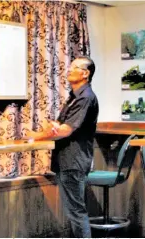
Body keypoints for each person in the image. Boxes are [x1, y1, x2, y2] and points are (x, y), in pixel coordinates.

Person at [25, 56, 99, 238]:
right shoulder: (73, 97)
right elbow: (57, 125)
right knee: (74, 210)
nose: (69, 70)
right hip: (66, 160)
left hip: (74, 161)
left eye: (74, 67)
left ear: (85, 73)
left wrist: (37, 136)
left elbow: (65, 130)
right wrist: (51, 128)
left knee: (76, 211)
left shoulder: (86, 98)